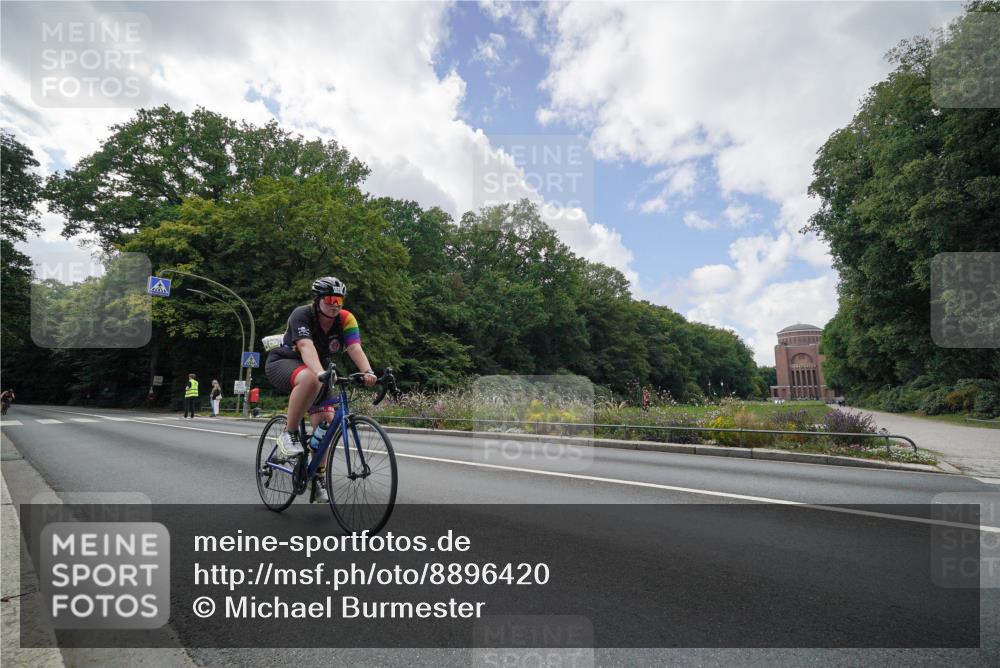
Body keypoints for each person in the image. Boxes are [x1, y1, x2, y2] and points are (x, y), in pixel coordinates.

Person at [264, 277, 377, 503]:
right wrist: (318, 372)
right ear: (318, 300)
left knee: (326, 420)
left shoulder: (346, 319)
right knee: (310, 379)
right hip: (285, 361)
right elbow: (306, 346)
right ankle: (290, 433)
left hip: (318, 368)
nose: (336, 304)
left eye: (340, 300)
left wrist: (368, 371)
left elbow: (354, 347)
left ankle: (318, 477)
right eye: (331, 299)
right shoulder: (302, 314)